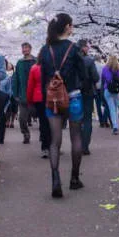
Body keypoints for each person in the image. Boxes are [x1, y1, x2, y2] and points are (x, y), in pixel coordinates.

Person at [39, 13, 85, 198]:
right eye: (71, 24)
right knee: (75, 137)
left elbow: (43, 77)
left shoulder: (45, 49)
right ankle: (74, 178)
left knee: (55, 140)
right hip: (73, 96)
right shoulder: (74, 49)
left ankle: (55, 178)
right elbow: (83, 74)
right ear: (67, 27)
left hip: (53, 99)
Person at [27, 47, 51, 157]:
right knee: (53, 121)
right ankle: (52, 145)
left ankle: (45, 146)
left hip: (38, 97)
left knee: (43, 121)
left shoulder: (34, 68)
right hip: (52, 96)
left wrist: (29, 100)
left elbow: (30, 86)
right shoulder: (53, 67)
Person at [13, 42, 37, 145]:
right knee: (22, 118)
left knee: (40, 116)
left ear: (30, 49)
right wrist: (15, 93)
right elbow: (16, 78)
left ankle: (44, 137)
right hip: (23, 95)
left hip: (35, 96)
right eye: (23, 48)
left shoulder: (36, 61)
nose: (24, 50)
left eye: (26, 48)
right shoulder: (19, 63)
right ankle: (26, 134)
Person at [78, 39, 98, 155]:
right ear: (83, 48)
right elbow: (96, 78)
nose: (88, 48)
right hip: (88, 92)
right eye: (87, 46)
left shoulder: (72, 61)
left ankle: (77, 144)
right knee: (87, 119)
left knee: (76, 119)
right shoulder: (89, 61)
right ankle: (85, 146)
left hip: (74, 93)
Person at [102, 56, 119, 134]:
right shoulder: (118, 70)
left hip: (107, 90)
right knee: (115, 109)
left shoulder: (105, 68)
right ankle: (116, 126)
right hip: (116, 91)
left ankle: (115, 126)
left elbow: (103, 80)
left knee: (111, 108)